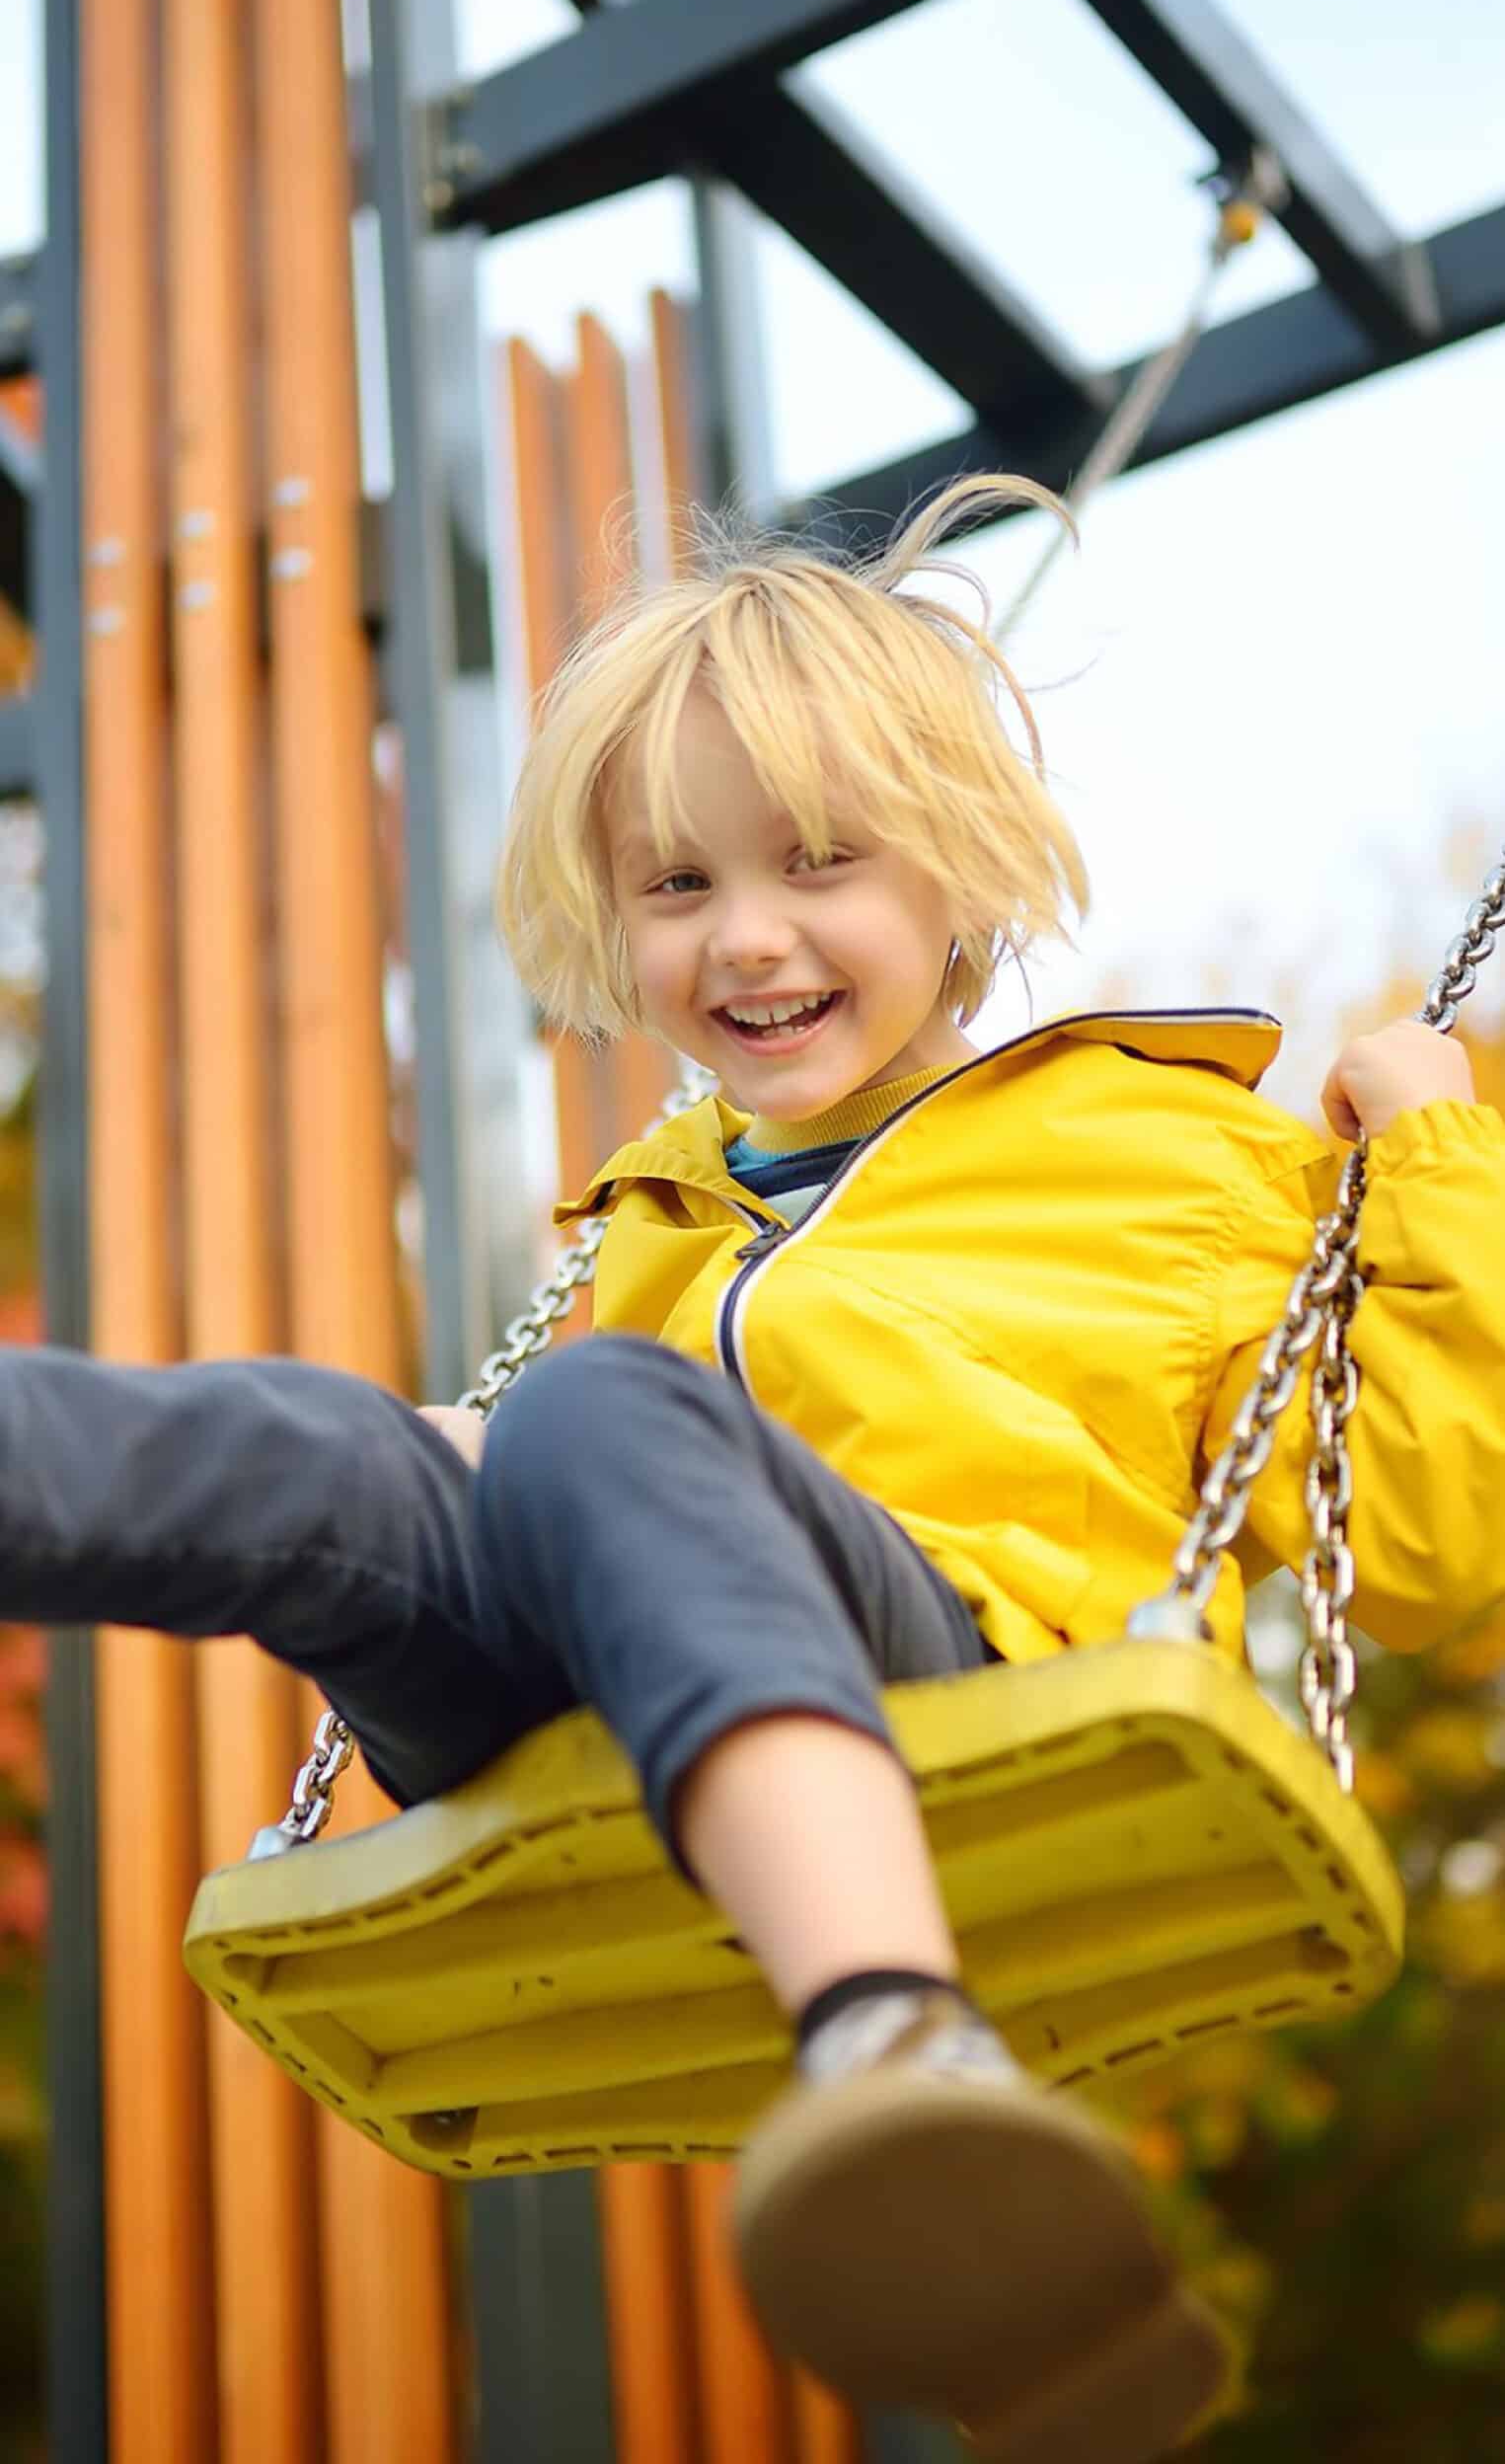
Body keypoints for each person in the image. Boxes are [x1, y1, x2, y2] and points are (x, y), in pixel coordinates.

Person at [5, 471, 1501, 2459]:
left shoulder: (1175, 1162)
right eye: (677, 884)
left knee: (596, 1417)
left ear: (961, 872)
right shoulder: (646, 1223)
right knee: (328, 1450)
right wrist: (449, 1473)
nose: (750, 937)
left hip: (960, 1670)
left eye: (819, 864)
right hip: (597, 1691)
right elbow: (548, 1482)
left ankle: (897, 2032)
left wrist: (1434, 1156)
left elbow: (1419, 1543)